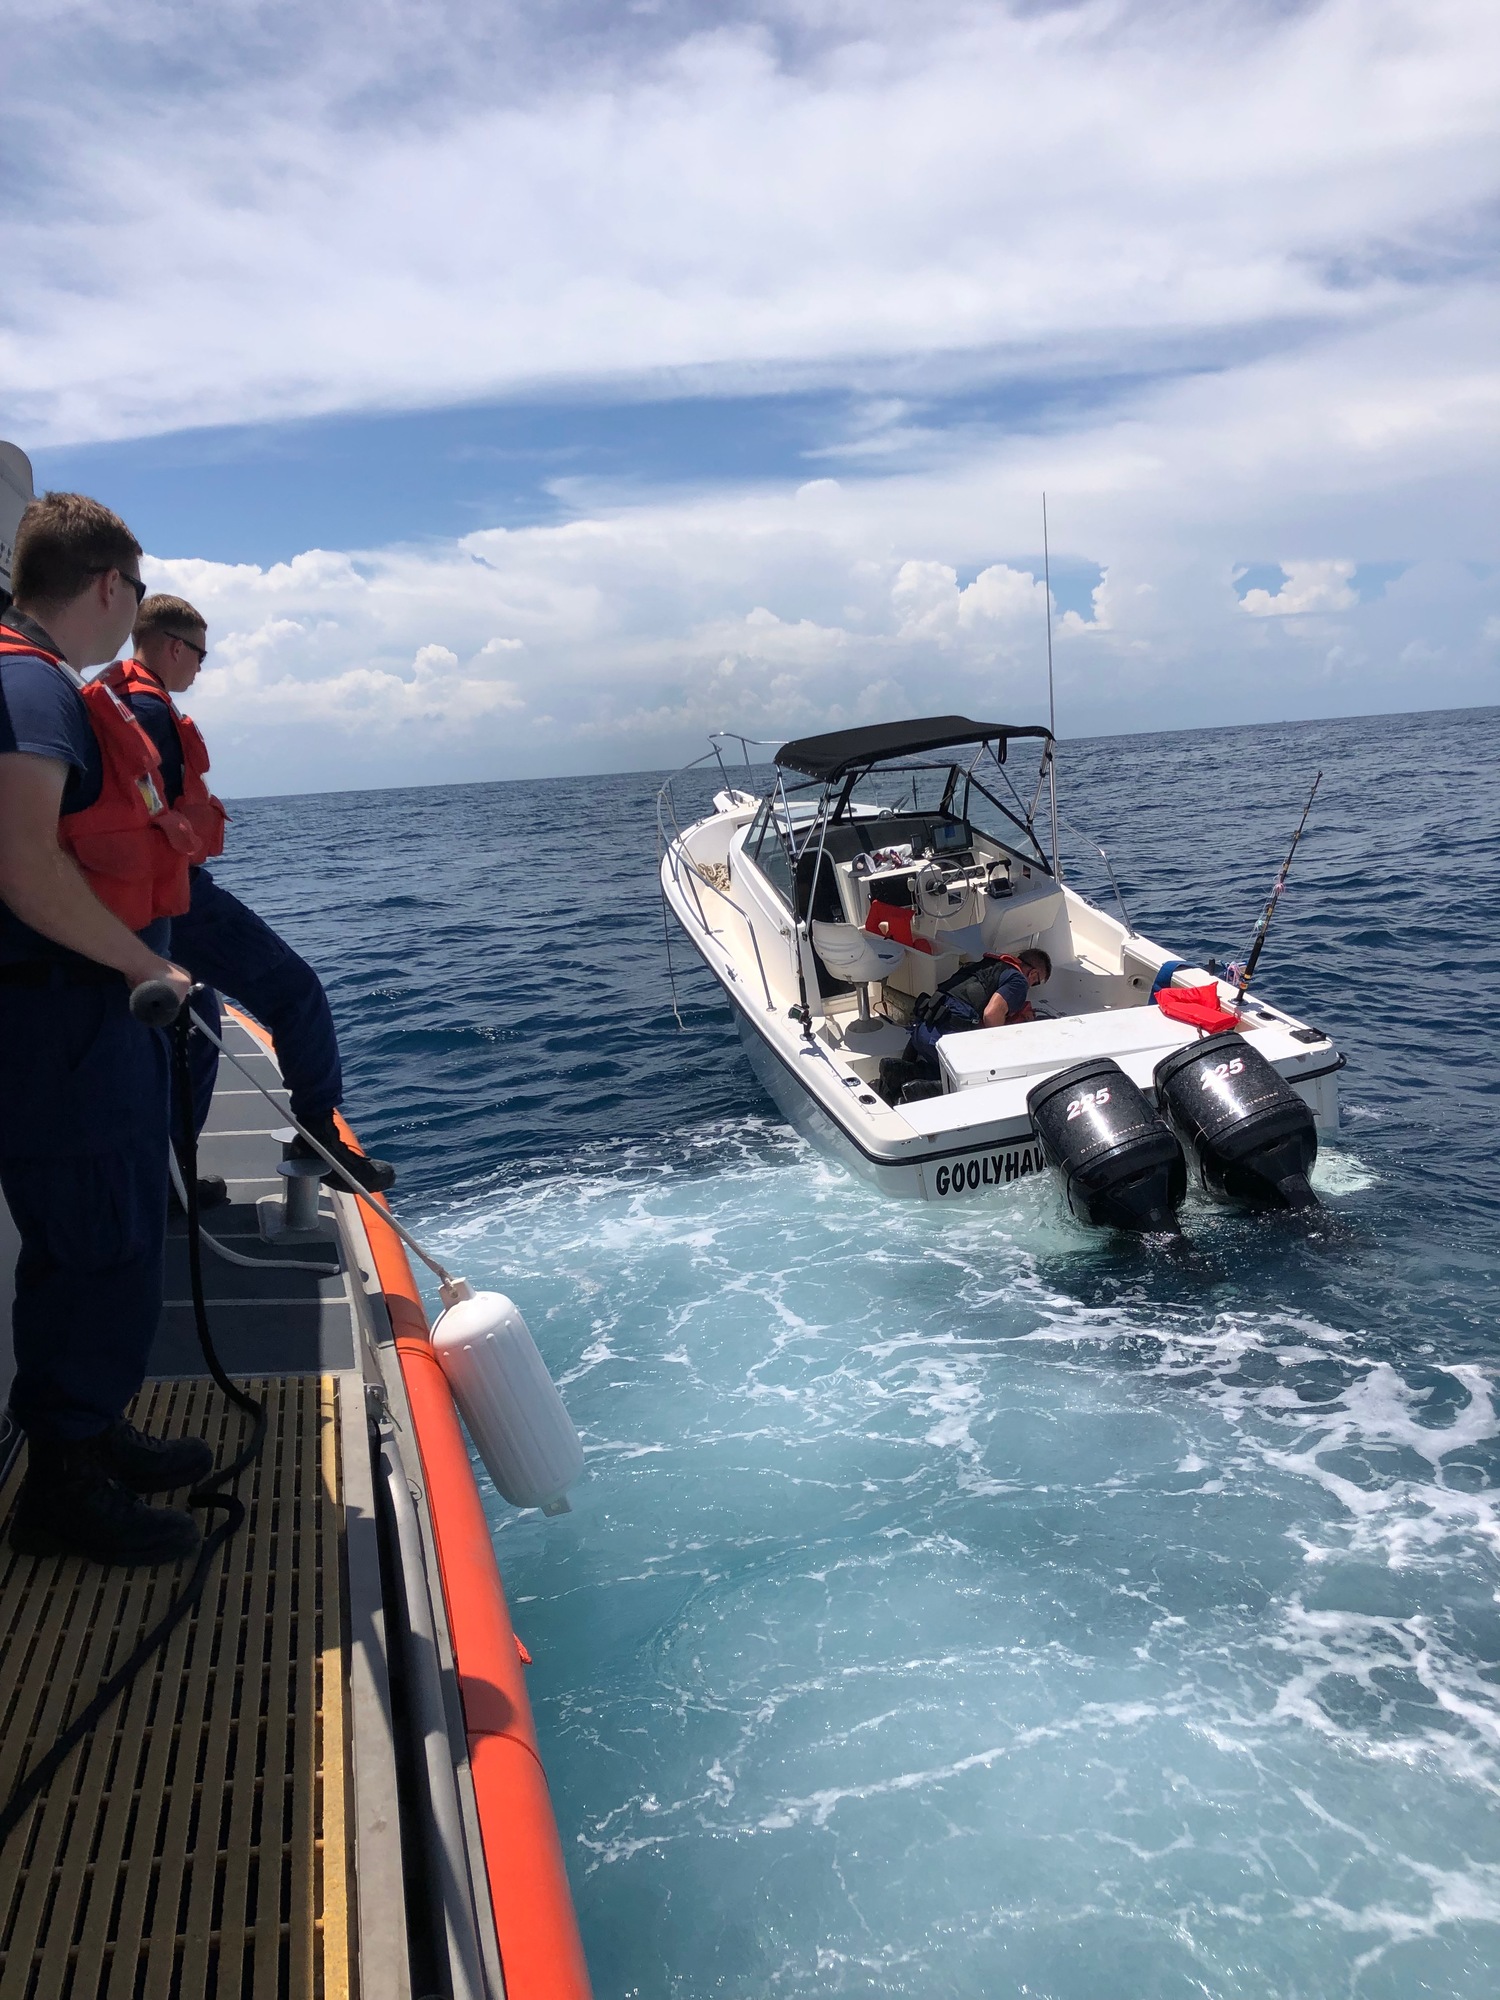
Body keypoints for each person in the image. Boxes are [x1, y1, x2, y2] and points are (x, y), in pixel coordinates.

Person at [0, 493, 207, 1565]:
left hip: (55, 1017)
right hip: (56, 1020)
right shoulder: (33, 688)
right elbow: (26, 863)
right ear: (108, 587)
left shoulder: (24, 675)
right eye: (129, 591)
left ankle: (89, 1432)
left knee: (88, 1241)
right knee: (99, 1240)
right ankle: (66, 1487)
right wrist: (144, 962)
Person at [107, 593, 396, 1196]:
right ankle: (318, 1136)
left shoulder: (115, 700)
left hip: (130, 894)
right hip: (168, 896)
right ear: (173, 646)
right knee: (297, 992)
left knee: (198, 1018)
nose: (202, 668)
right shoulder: (149, 712)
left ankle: (173, 1181)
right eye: (200, 655)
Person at [882, 948, 1052, 1103]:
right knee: (981, 1080)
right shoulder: (1019, 981)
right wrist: (1000, 1052)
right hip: (942, 1041)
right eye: (1036, 983)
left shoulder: (987, 964)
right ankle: (913, 1095)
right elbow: (991, 1014)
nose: (1031, 986)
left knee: (936, 1069)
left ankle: (896, 1071)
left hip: (921, 1033)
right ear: (1033, 974)